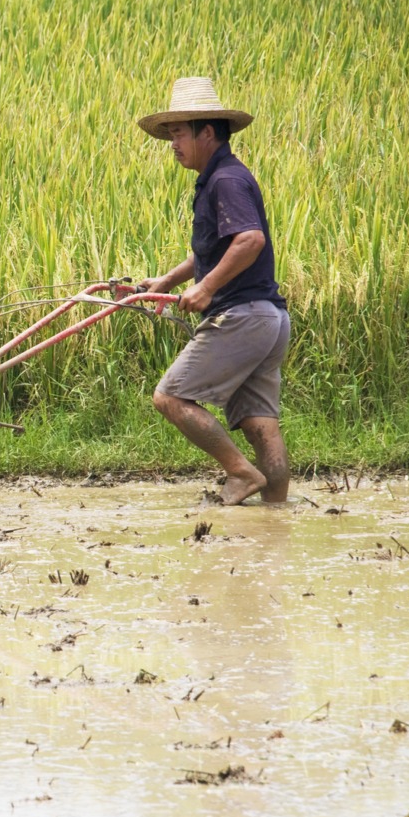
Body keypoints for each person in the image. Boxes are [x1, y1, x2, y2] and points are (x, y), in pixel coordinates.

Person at [137, 77, 290, 506]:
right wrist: (167, 282)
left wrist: (206, 288)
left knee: (170, 396)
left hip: (240, 316)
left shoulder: (224, 180)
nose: (173, 143)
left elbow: (249, 240)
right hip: (269, 318)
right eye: (170, 135)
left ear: (208, 133)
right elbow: (214, 250)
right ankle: (275, 516)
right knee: (262, 423)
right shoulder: (223, 177)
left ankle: (241, 473)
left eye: (180, 133)